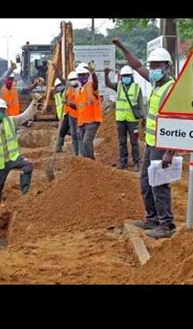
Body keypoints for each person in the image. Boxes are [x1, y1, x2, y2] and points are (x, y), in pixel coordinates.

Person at [113, 38, 176, 239]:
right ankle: (152, 219)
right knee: (146, 182)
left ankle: (166, 224)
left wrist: (170, 151)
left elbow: (176, 123)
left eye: (157, 66)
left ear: (167, 67)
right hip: (151, 142)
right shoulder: (156, 83)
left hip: (162, 144)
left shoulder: (171, 89)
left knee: (159, 184)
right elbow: (137, 65)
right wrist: (122, 47)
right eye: (152, 66)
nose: (153, 69)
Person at [0, 93, 43, 202]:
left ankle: (25, 192)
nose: (0, 113)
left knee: (28, 166)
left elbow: (25, 116)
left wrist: (34, 102)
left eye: (2, 111)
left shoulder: (11, 121)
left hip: (13, 158)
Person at [104, 65, 144, 171]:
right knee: (122, 142)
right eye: (124, 76)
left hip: (132, 120)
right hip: (121, 119)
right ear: (121, 77)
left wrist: (144, 117)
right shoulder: (119, 86)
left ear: (131, 76)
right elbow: (108, 84)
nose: (126, 78)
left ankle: (136, 163)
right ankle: (123, 162)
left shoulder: (136, 88)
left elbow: (141, 104)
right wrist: (106, 75)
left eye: (128, 76)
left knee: (134, 142)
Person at [74, 63, 102, 160]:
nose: (82, 77)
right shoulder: (78, 90)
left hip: (92, 120)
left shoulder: (91, 85)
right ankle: (86, 162)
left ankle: (91, 162)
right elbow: (78, 107)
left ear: (87, 75)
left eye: (84, 75)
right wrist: (68, 103)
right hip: (82, 121)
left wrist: (93, 73)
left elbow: (96, 83)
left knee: (87, 141)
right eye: (80, 75)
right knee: (83, 143)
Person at [52, 66, 81, 155]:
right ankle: (61, 148)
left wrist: (58, 73)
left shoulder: (79, 89)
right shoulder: (65, 91)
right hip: (68, 113)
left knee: (78, 134)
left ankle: (79, 152)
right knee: (67, 132)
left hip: (77, 114)